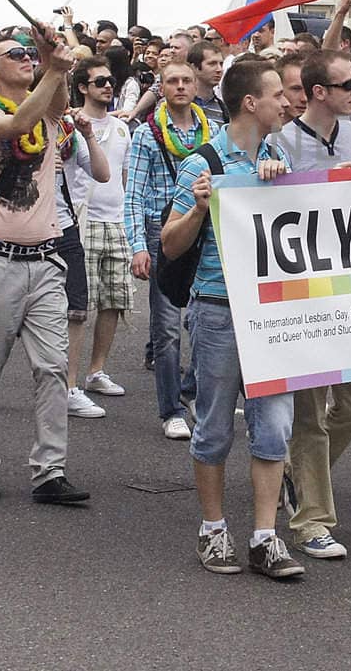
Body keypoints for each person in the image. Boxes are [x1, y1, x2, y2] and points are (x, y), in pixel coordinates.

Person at [161, 58, 304, 579]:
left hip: (272, 313)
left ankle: (266, 538)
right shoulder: (203, 163)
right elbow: (170, 246)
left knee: (272, 429)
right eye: (276, 95)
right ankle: (213, 529)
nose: (286, 103)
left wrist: (279, 182)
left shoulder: (277, 156)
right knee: (215, 427)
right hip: (219, 311)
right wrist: (199, 208)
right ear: (251, 103)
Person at [0, 26, 90, 505]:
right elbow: (15, 128)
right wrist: (53, 66)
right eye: (12, 55)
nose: (22, 59)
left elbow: (51, 105)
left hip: (46, 259)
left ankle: (49, 471)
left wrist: (50, 55)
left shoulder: (47, 112)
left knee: (54, 369)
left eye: (24, 54)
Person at [272, 49, 351, 560]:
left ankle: (298, 474)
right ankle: (312, 519)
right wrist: (272, 176)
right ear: (319, 92)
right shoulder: (280, 141)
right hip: (305, 290)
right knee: (308, 414)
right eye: (345, 85)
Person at [124, 58, 215, 440]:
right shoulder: (147, 134)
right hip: (159, 227)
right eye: (172, 81)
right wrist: (137, 246)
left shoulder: (212, 131)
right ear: (161, 88)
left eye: (186, 81)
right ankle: (171, 409)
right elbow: (132, 193)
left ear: (195, 87)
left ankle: (191, 388)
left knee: (201, 319)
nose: (180, 86)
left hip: (201, 228)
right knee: (166, 327)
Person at [67, 57, 130, 411]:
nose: (109, 86)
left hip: (115, 220)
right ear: (83, 87)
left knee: (114, 300)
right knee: (79, 306)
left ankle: (96, 371)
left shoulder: (122, 128)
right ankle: (70, 383)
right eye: (100, 81)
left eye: (111, 80)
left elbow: (121, 176)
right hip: (82, 219)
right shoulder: (71, 124)